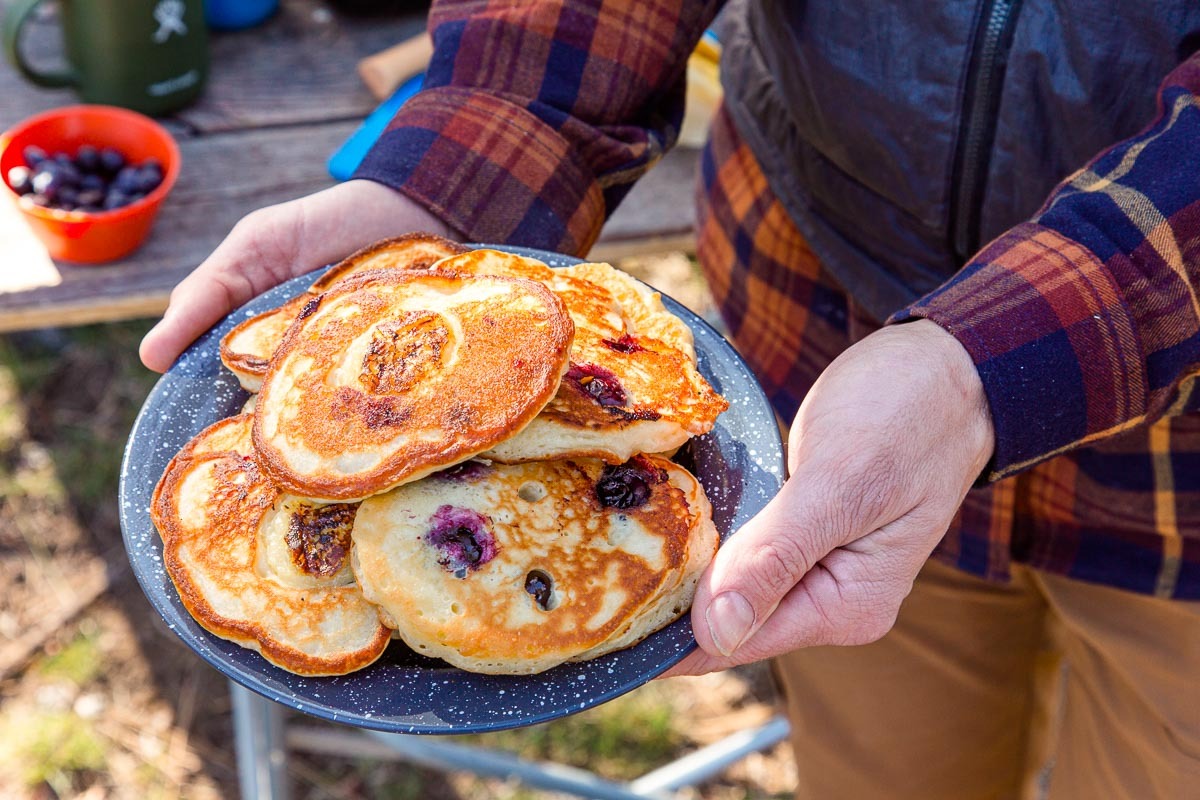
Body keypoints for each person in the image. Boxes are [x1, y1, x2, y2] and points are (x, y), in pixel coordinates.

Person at [140, 1, 1200, 797]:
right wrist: (475, 155)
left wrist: (991, 362)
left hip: (1172, 485)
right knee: (882, 766)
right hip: (821, 338)